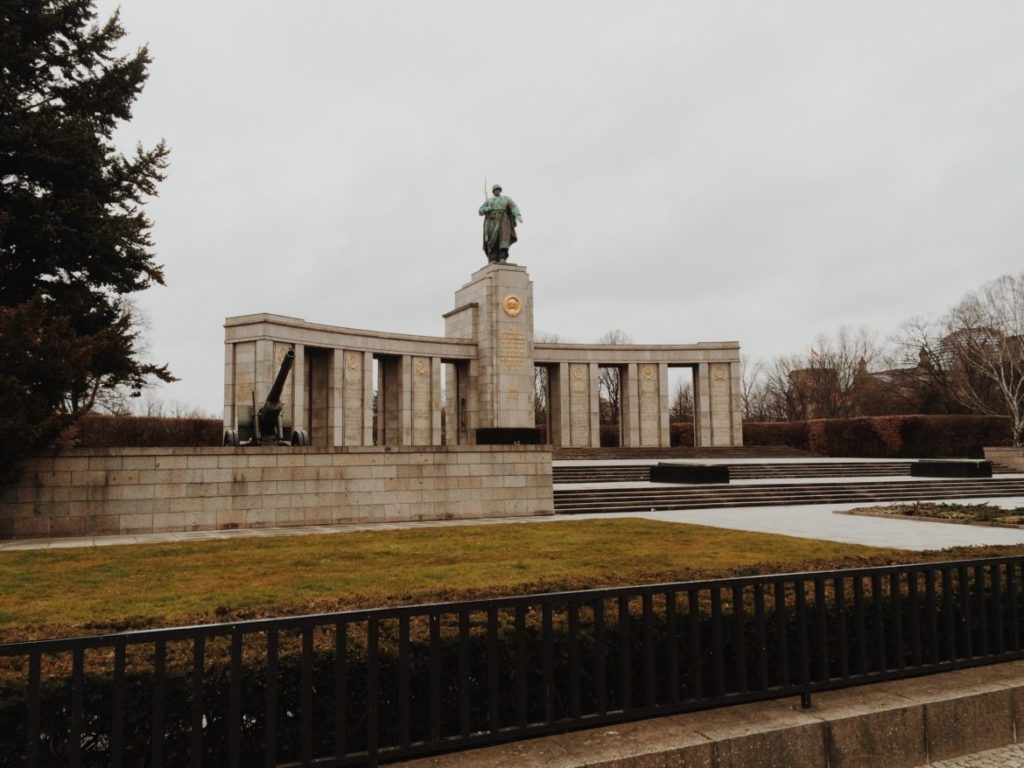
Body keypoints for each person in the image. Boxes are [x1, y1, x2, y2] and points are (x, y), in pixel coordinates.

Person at [479, 184, 522, 263]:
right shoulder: (489, 200)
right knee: (493, 240)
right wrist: (487, 209)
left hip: (504, 219)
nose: (497, 190)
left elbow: (514, 207)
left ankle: (503, 258)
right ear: (493, 191)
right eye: (496, 189)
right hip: (492, 220)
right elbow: (480, 211)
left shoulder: (506, 199)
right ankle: (493, 258)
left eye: (498, 189)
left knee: (504, 239)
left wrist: (517, 215)